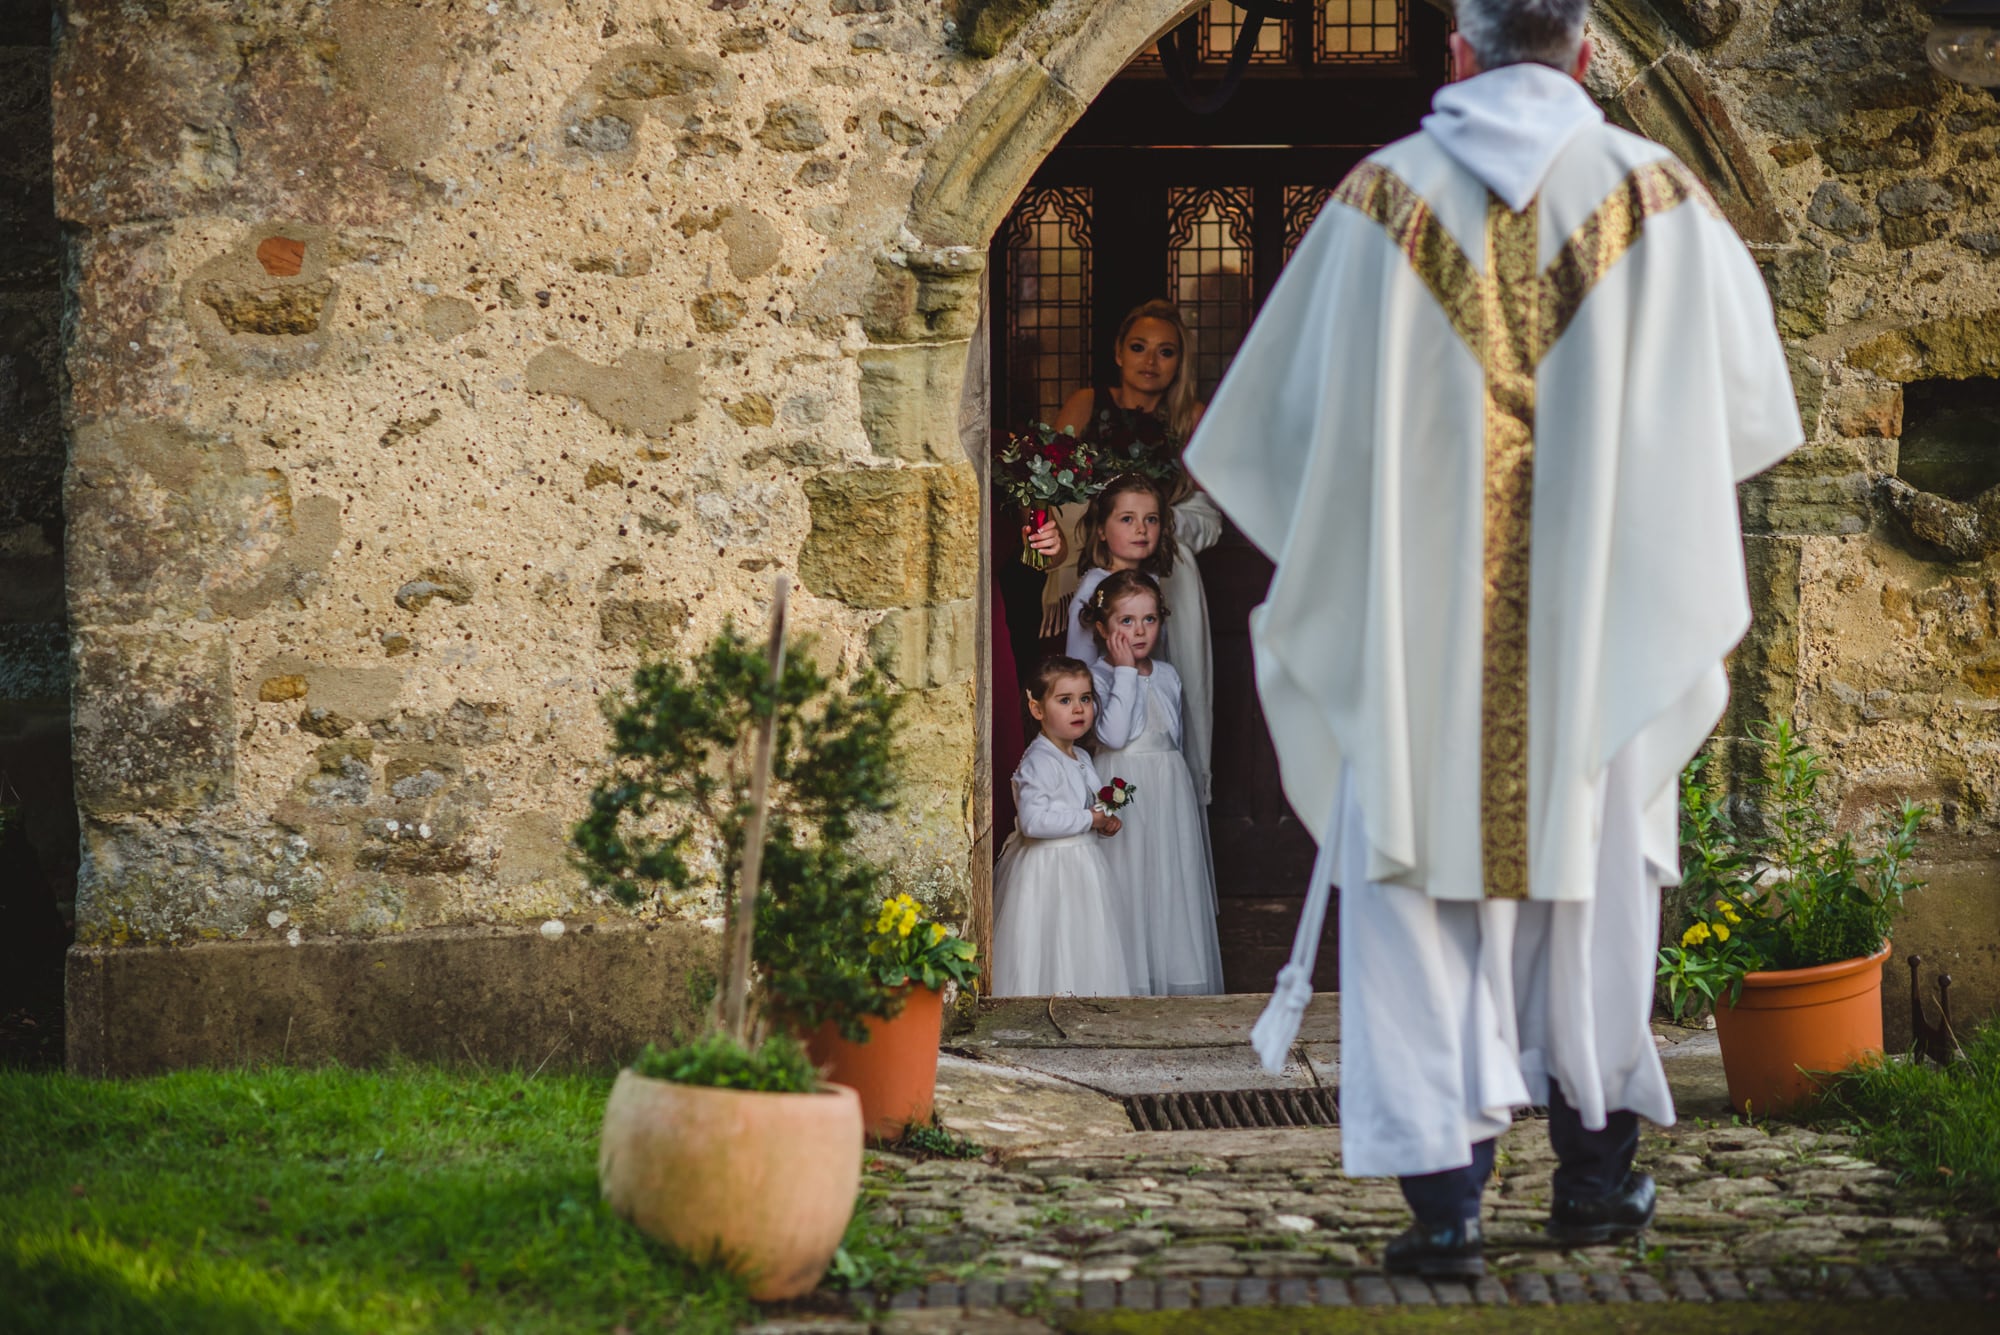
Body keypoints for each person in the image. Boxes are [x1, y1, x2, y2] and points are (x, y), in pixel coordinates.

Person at [1186, 0, 1802, 1279]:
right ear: (1583, 54)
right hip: (1606, 631)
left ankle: (1446, 1211)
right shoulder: (1664, 200)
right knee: (1593, 901)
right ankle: (1591, 1185)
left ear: (1454, 53)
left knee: (1420, 904)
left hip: (1419, 647)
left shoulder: (1376, 203)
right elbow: (1739, 424)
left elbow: (1272, 441)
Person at [1046, 300, 1226, 805]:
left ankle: (1174, 803)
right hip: (1097, 566)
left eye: (1166, 351)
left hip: (1170, 577)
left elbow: (1210, 516)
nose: (1151, 361)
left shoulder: (1192, 417)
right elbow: (1048, 491)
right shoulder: (1087, 403)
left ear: (1180, 361)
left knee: (1173, 688)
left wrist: (1153, 521)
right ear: (1119, 353)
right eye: (1139, 348)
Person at [1081, 571, 1226, 996]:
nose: (1138, 631)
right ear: (1103, 628)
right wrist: (1125, 673)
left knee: (1170, 875)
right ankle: (1131, 978)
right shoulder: (1099, 676)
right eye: (1126, 621)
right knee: (1129, 876)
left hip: (1167, 788)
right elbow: (1113, 736)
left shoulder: (1167, 673)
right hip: (1122, 784)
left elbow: (1174, 736)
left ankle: (1173, 974)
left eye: (1149, 619)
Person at [991, 657, 1138, 997]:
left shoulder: (1082, 757)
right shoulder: (1039, 761)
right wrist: (1089, 818)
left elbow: (1088, 802)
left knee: (1081, 938)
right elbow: (1033, 821)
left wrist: (1104, 818)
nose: (1079, 709)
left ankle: (1083, 1005)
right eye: (1065, 700)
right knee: (1051, 939)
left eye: (1085, 698)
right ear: (1037, 709)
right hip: (1047, 870)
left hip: (1082, 867)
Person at [1065, 473, 1177, 664]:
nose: (1141, 529)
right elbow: (1079, 664)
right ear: (1101, 530)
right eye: (1127, 519)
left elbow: (1159, 654)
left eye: (1151, 519)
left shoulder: (1152, 579)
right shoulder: (1093, 586)